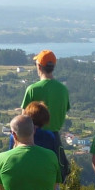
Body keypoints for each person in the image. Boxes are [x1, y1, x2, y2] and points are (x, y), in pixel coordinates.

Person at [22, 50, 70, 179]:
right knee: (53, 180)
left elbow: (23, 119)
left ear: (38, 66)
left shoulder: (32, 89)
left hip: (34, 139)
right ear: (53, 67)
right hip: (55, 141)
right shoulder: (63, 89)